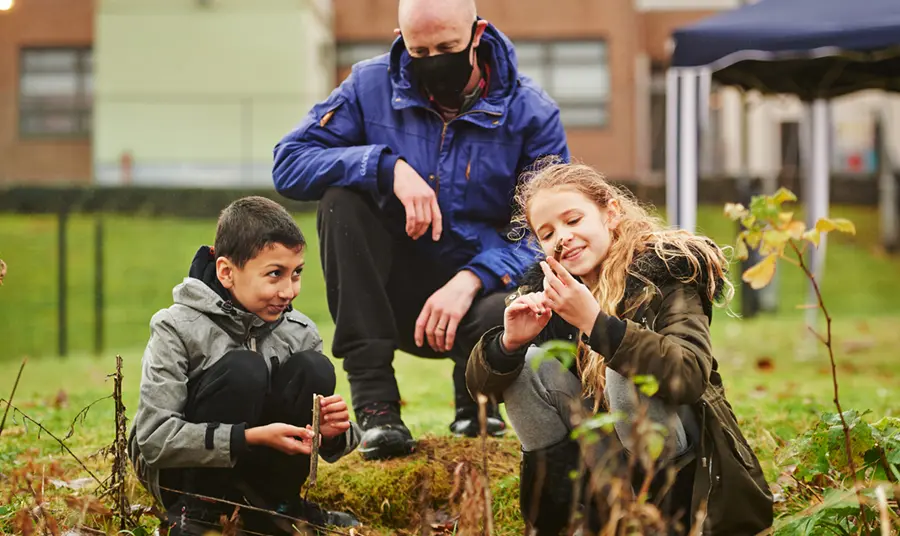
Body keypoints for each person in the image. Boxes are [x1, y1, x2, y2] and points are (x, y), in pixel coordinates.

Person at [271, 0, 569, 460]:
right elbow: (289, 164)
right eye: (419, 50)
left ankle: (478, 403)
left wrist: (473, 278)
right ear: (400, 39)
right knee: (341, 201)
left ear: (477, 33)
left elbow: (545, 230)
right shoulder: (368, 85)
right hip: (390, 296)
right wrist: (382, 166)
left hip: (483, 300)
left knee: (514, 294)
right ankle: (377, 410)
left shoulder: (532, 112)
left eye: (447, 47)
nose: (434, 61)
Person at [466, 160, 774, 535]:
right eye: (547, 233)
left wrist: (596, 324)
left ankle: (659, 526)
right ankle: (568, 524)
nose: (562, 238)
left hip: (687, 476)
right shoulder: (549, 293)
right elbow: (485, 394)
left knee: (623, 372)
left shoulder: (665, 272)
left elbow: (688, 375)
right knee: (531, 365)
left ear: (610, 213)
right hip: (602, 471)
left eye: (574, 220)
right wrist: (508, 344)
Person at [127, 196, 362, 536]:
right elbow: (153, 439)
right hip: (185, 480)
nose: (289, 290)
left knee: (315, 369)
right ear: (226, 272)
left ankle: (278, 510)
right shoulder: (175, 326)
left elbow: (323, 433)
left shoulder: (300, 331)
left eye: (296, 273)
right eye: (274, 274)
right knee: (243, 370)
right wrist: (248, 438)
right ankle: (199, 514)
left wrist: (333, 433)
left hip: (259, 473)